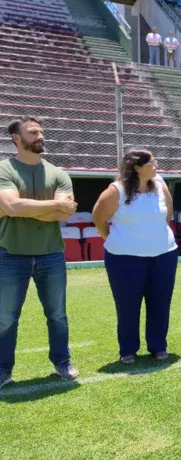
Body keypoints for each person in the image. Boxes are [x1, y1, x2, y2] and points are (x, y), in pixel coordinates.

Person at [0, 117, 80, 388]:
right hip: (10, 254)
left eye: (41, 132)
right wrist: (51, 206)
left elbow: (63, 213)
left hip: (51, 255)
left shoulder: (58, 173)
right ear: (16, 138)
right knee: (6, 317)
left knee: (57, 314)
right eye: (33, 132)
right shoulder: (4, 169)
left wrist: (21, 208)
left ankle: (62, 361)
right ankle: (3, 370)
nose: (40, 136)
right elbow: (12, 207)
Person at [92, 150, 178, 364]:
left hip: (164, 255)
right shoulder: (116, 190)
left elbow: (168, 213)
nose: (156, 165)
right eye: (152, 162)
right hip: (124, 259)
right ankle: (128, 349)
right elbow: (98, 218)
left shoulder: (160, 184)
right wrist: (115, 240)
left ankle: (158, 346)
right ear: (137, 168)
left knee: (160, 302)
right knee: (128, 304)